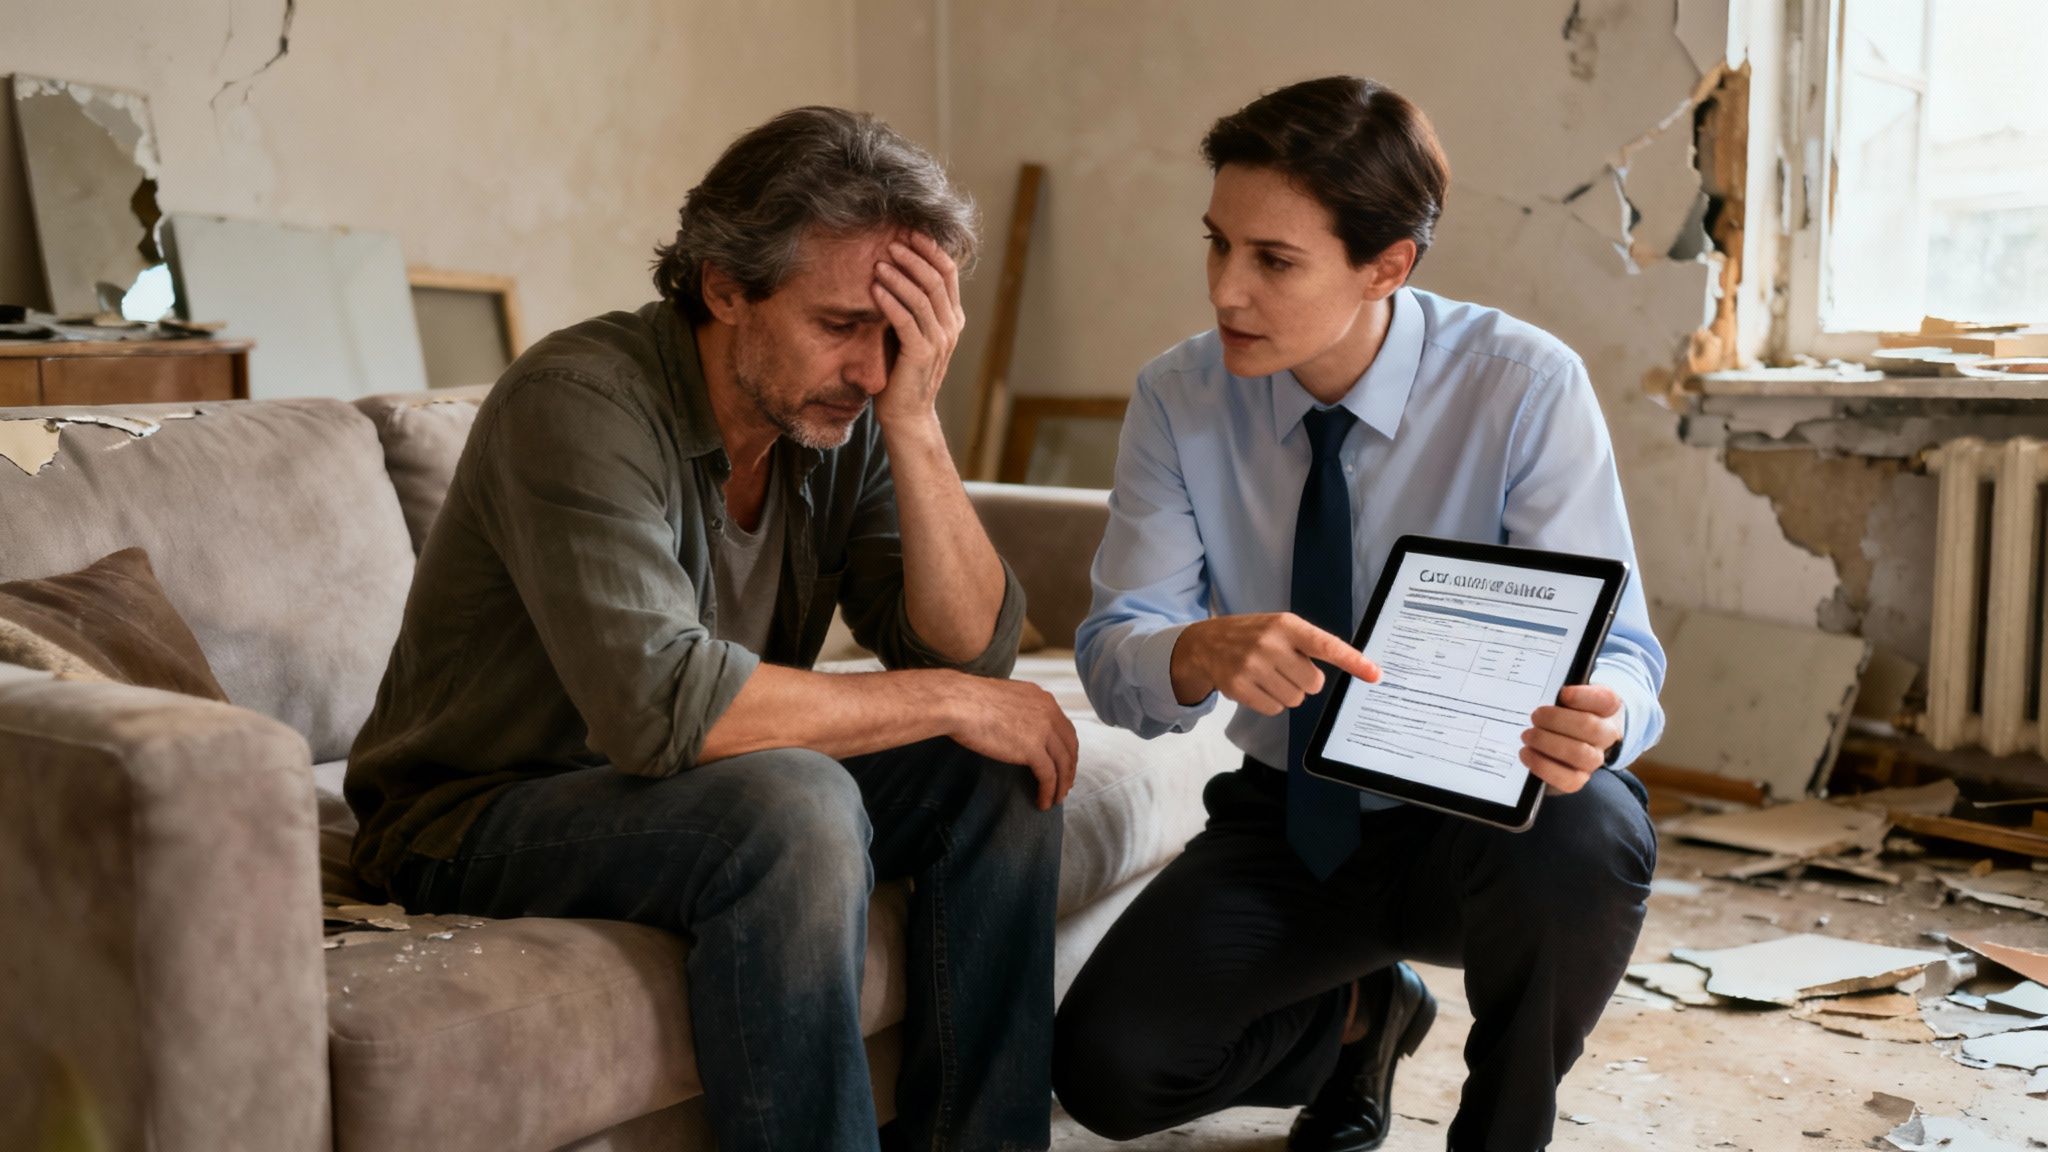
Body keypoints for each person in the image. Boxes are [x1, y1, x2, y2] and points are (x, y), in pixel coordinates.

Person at [345, 106, 1077, 1152]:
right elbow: (661, 710)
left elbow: (968, 655)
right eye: (838, 326)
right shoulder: (579, 401)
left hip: (680, 785)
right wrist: (958, 696)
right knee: (796, 798)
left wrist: (915, 420)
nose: (869, 370)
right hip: (479, 812)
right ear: (724, 287)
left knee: (996, 763)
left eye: (896, 335)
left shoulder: (853, 413)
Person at [1051, 76, 1665, 1152]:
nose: (1224, 293)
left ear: (1387, 265)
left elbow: (1618, 644)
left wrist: (1606, 714)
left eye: (1272, 261)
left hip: (1482, 817)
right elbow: (1113, 655)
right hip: (1288, 815)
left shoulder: (1522, 386)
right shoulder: (1175, 399)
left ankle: (1500, 1129)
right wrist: (1193, 649)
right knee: (1108, 1073)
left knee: (1589, 825)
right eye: (1215, 245)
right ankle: (1358, 1017)